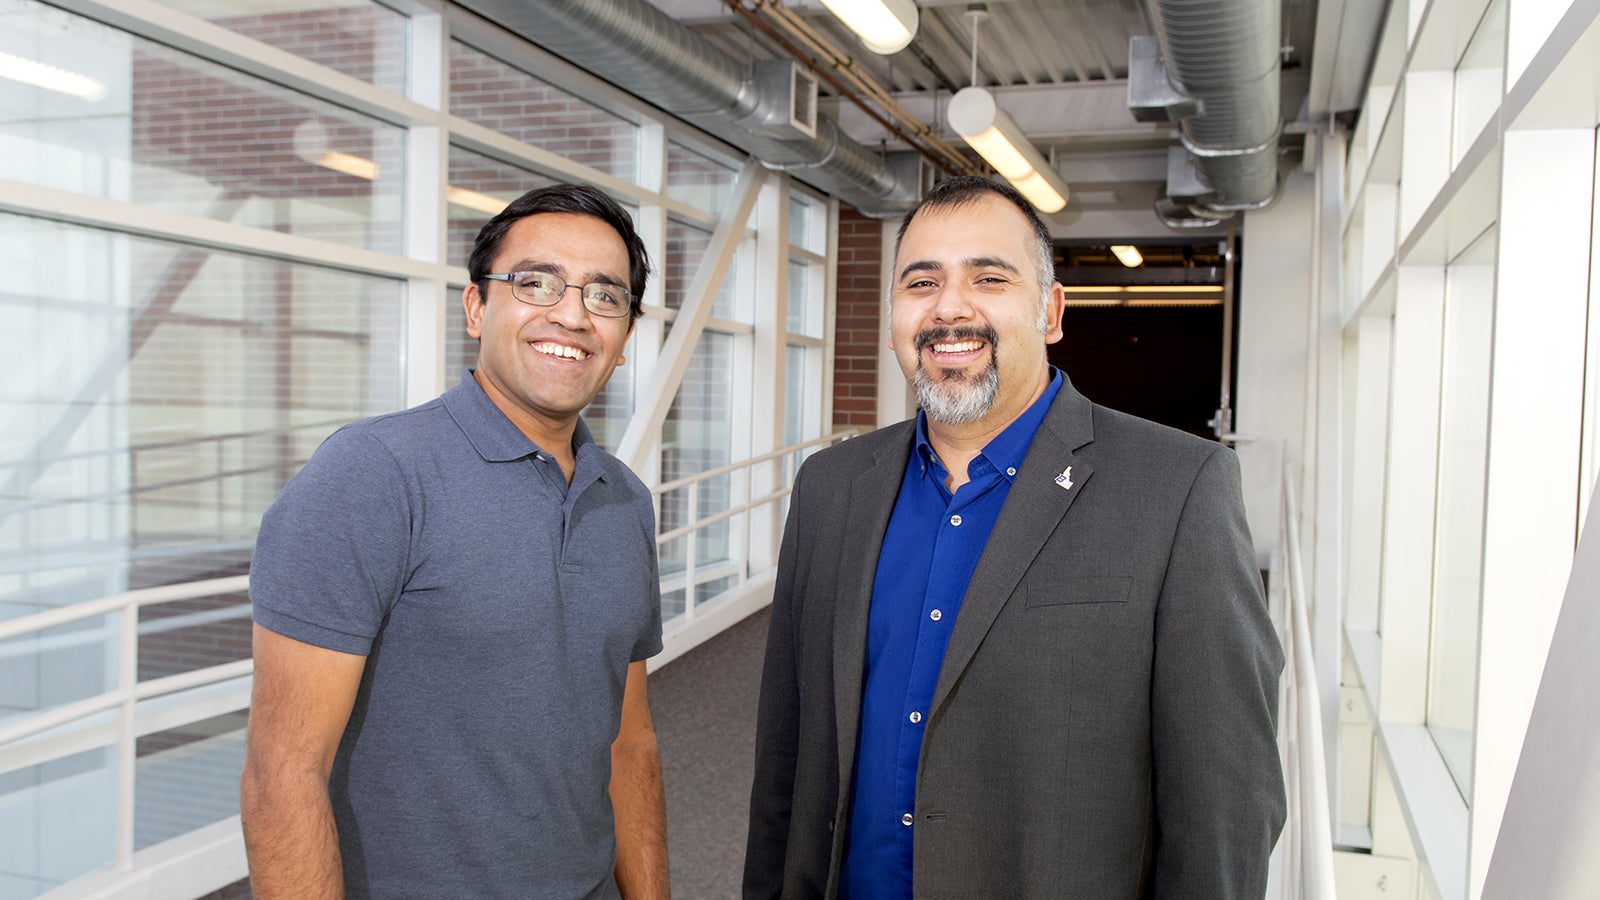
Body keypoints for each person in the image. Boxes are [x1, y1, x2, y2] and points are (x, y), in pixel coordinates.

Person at [744, 176, 1285, 899]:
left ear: (1051, 310)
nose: (950, 308)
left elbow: (1225, 808)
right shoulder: (830, 487)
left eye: (989, 278)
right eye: (921, 282)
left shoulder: (1179, 489)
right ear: (895, 313)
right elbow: (787, 753)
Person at [241, 183, 669, 900]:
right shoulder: (372, 474)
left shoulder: (624, 501)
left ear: (623, 338)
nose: (571, 313)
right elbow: (282, 772)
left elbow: (629, 744)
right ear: (476, 307)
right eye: (536, 283)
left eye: (605, 296)